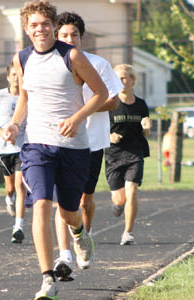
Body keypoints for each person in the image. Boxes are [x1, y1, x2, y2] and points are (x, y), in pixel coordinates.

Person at [3, 1, 109, 298]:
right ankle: (47, 279)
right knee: (41, 205)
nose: (40, 29)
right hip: (36, 144)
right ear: (26, 29)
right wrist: (14, 124)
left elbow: (101, 93)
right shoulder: (22, 58)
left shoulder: (71, 55)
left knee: (68, 212)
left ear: (53, 25)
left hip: (73, 147)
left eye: (45, 24)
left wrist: (77, 119)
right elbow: (25, 97)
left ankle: (79, 233)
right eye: (34, 25)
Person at [52, 11, 124, 281]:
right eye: (64, 35)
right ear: (56, 36)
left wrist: (82, 110)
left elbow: (114, 101)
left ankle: (86, 237)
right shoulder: (50, 64)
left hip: (92, 141)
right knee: (62, 201)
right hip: (59, 141)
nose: (69, 39)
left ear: (82, 37)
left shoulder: (98, 63)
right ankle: (64, 254)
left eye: (74, 35)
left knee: (84, 199)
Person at [0, 62, 27, 244]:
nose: (17, 78)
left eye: (20, 75)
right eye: (13, 75)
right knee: (10, 188)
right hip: (2, 148)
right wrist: (1, 132)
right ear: (8, 77)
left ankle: (19, 226)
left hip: (23, 147)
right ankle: (9, 198)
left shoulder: (28, 96)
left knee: (20, 185)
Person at [107, 64, 151, 246]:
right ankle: (118, 206)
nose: (121, 81)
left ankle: (128, 233)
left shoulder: (141, 104)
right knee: (119, 199)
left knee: (132, 190)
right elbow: (99, 128)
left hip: (135, 153)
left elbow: (145, 131)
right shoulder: (110, 103)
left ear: (132, 80)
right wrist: (110, 136)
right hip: (114, 155)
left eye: (124, 78)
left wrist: (147, 129)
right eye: (117, 78)